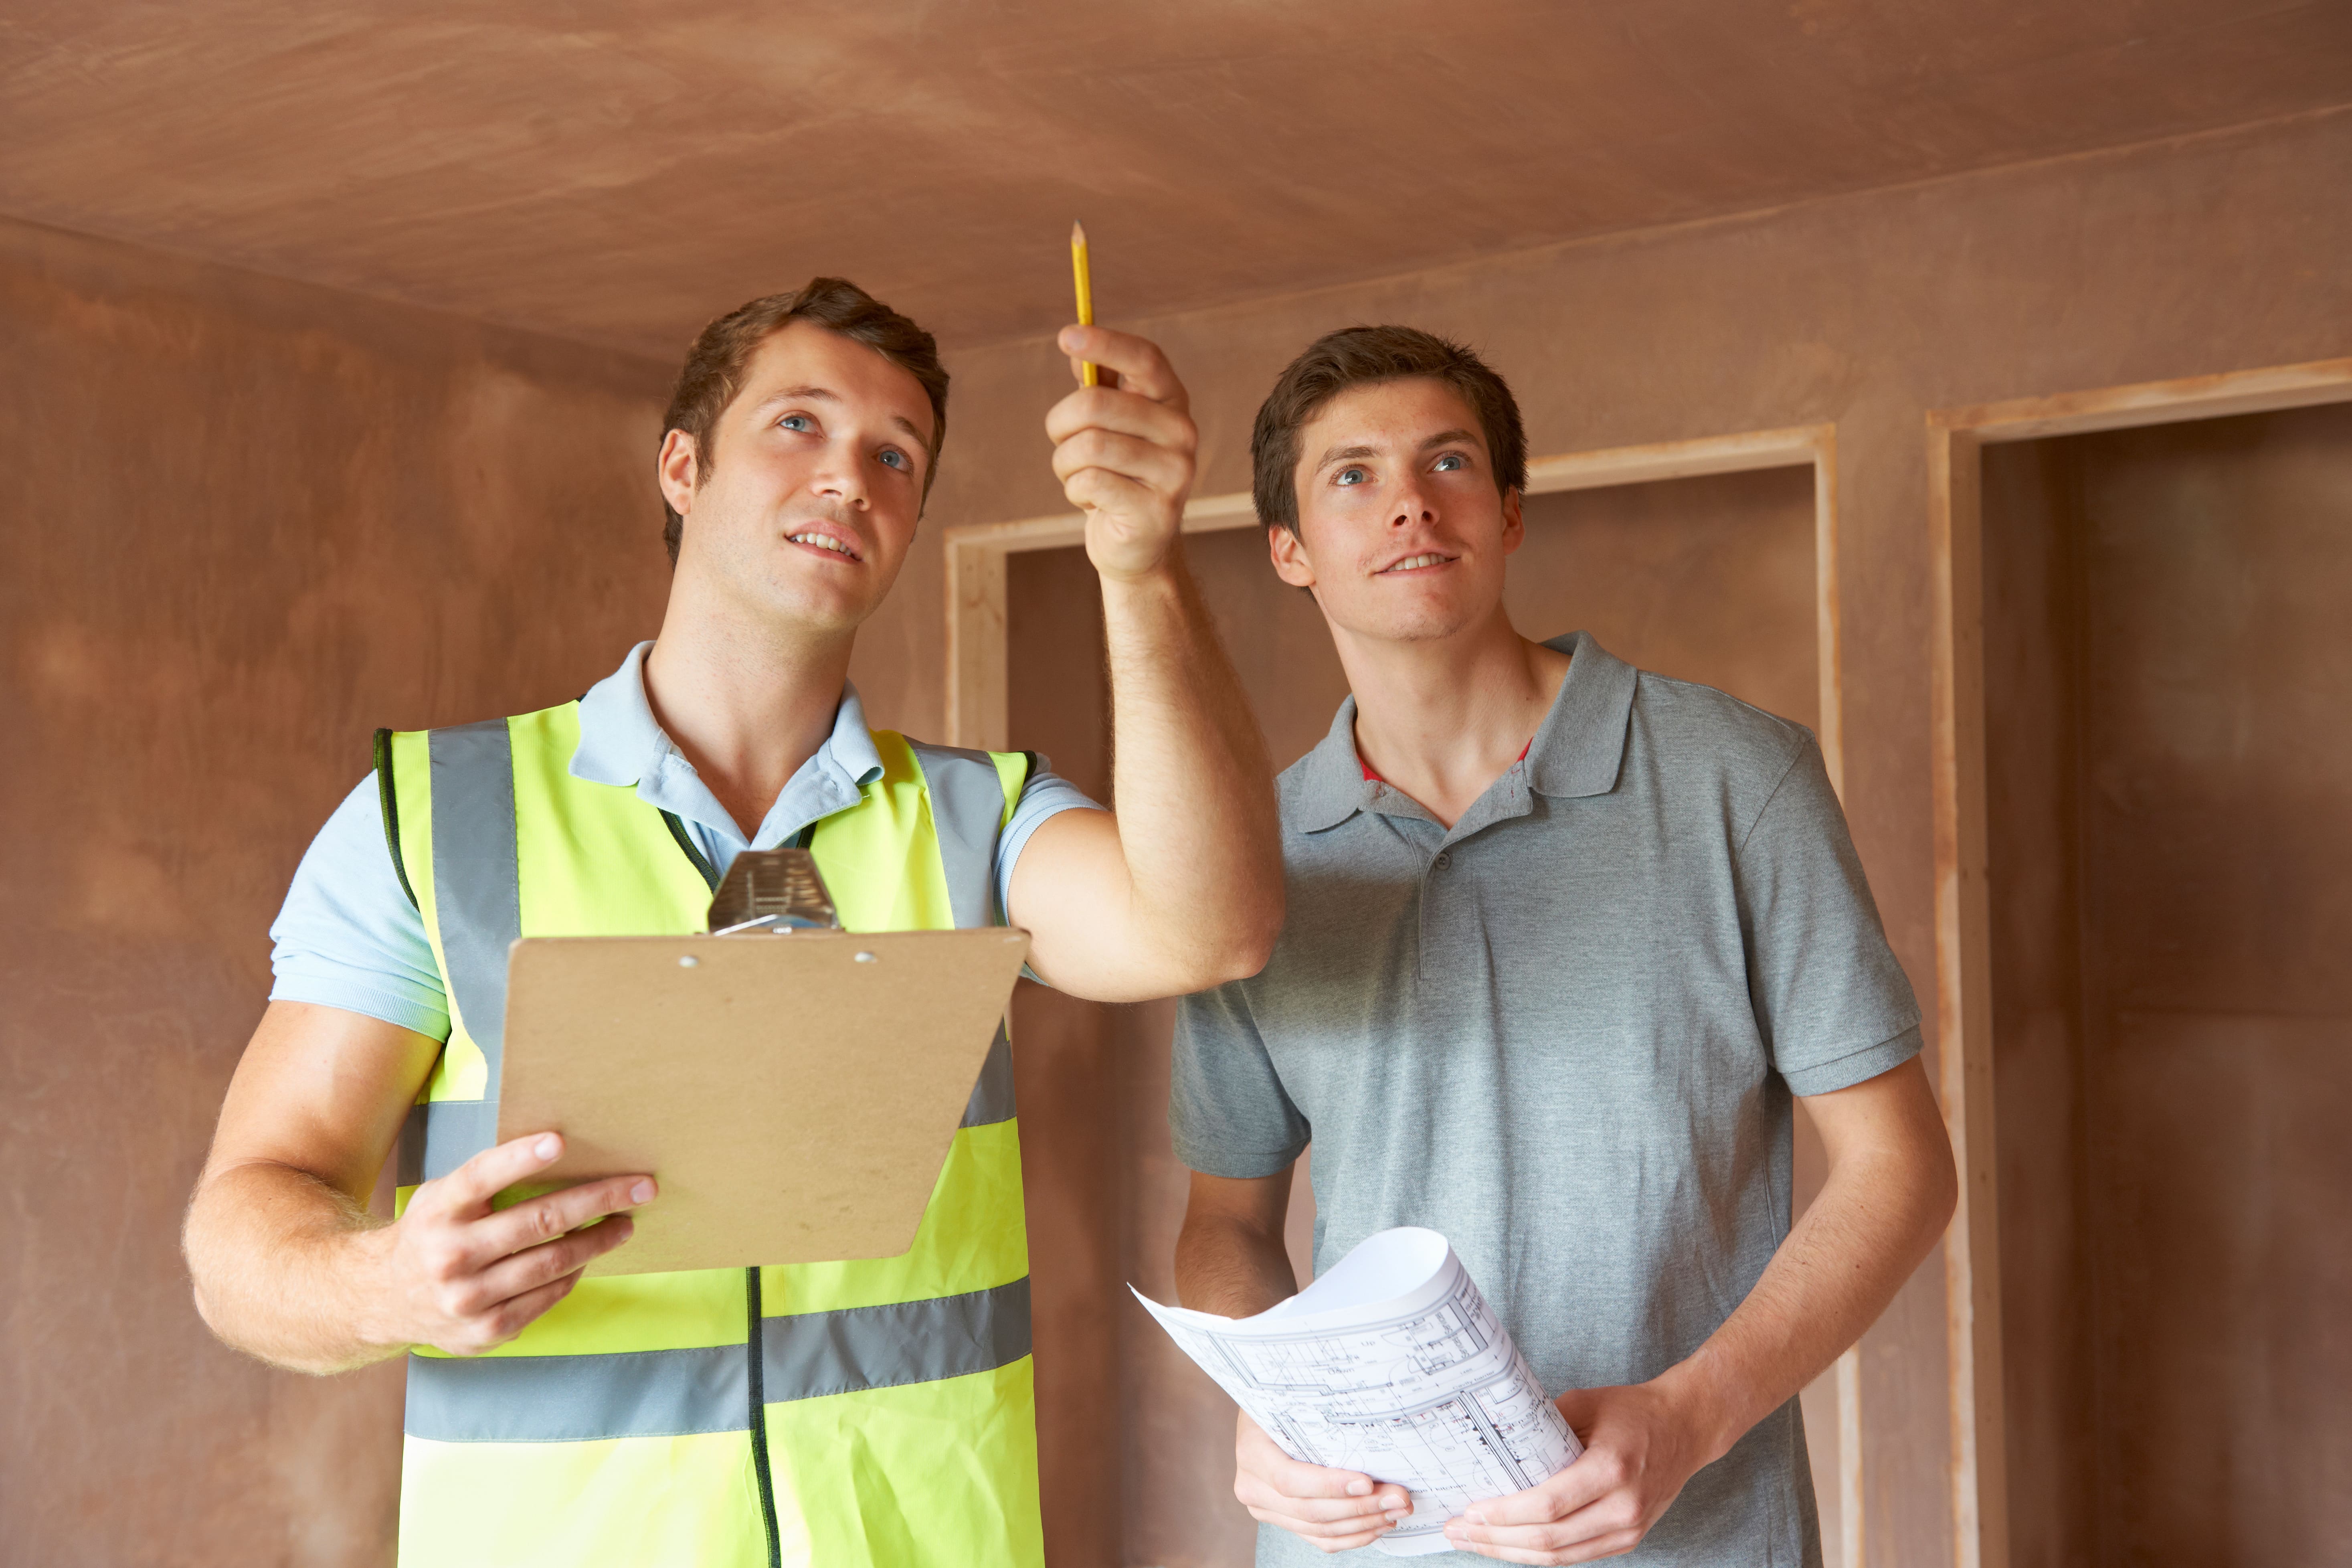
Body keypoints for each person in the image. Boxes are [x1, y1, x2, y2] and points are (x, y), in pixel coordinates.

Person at [183, 277, 1282, 1568]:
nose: (848, 478)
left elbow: (1204, 931)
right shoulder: (432, 819)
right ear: (681, 467)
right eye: (796, 426)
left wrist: (1141, 567)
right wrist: (384, 1284)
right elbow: (245, 1230)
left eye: (894, 456)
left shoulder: (983, 817)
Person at [1169, 326, 1957, 1564]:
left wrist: (1690, 1418)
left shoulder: (1734, 779)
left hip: (1695, 1537)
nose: (1411, 505)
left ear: (1507, 512)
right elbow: (1224, 1219)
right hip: (1368, 1547)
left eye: (1449, 463)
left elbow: (1899, 1169)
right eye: (1352, 476)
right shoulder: (1249, 862)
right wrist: (1267, 1409)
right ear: (1288, 550)